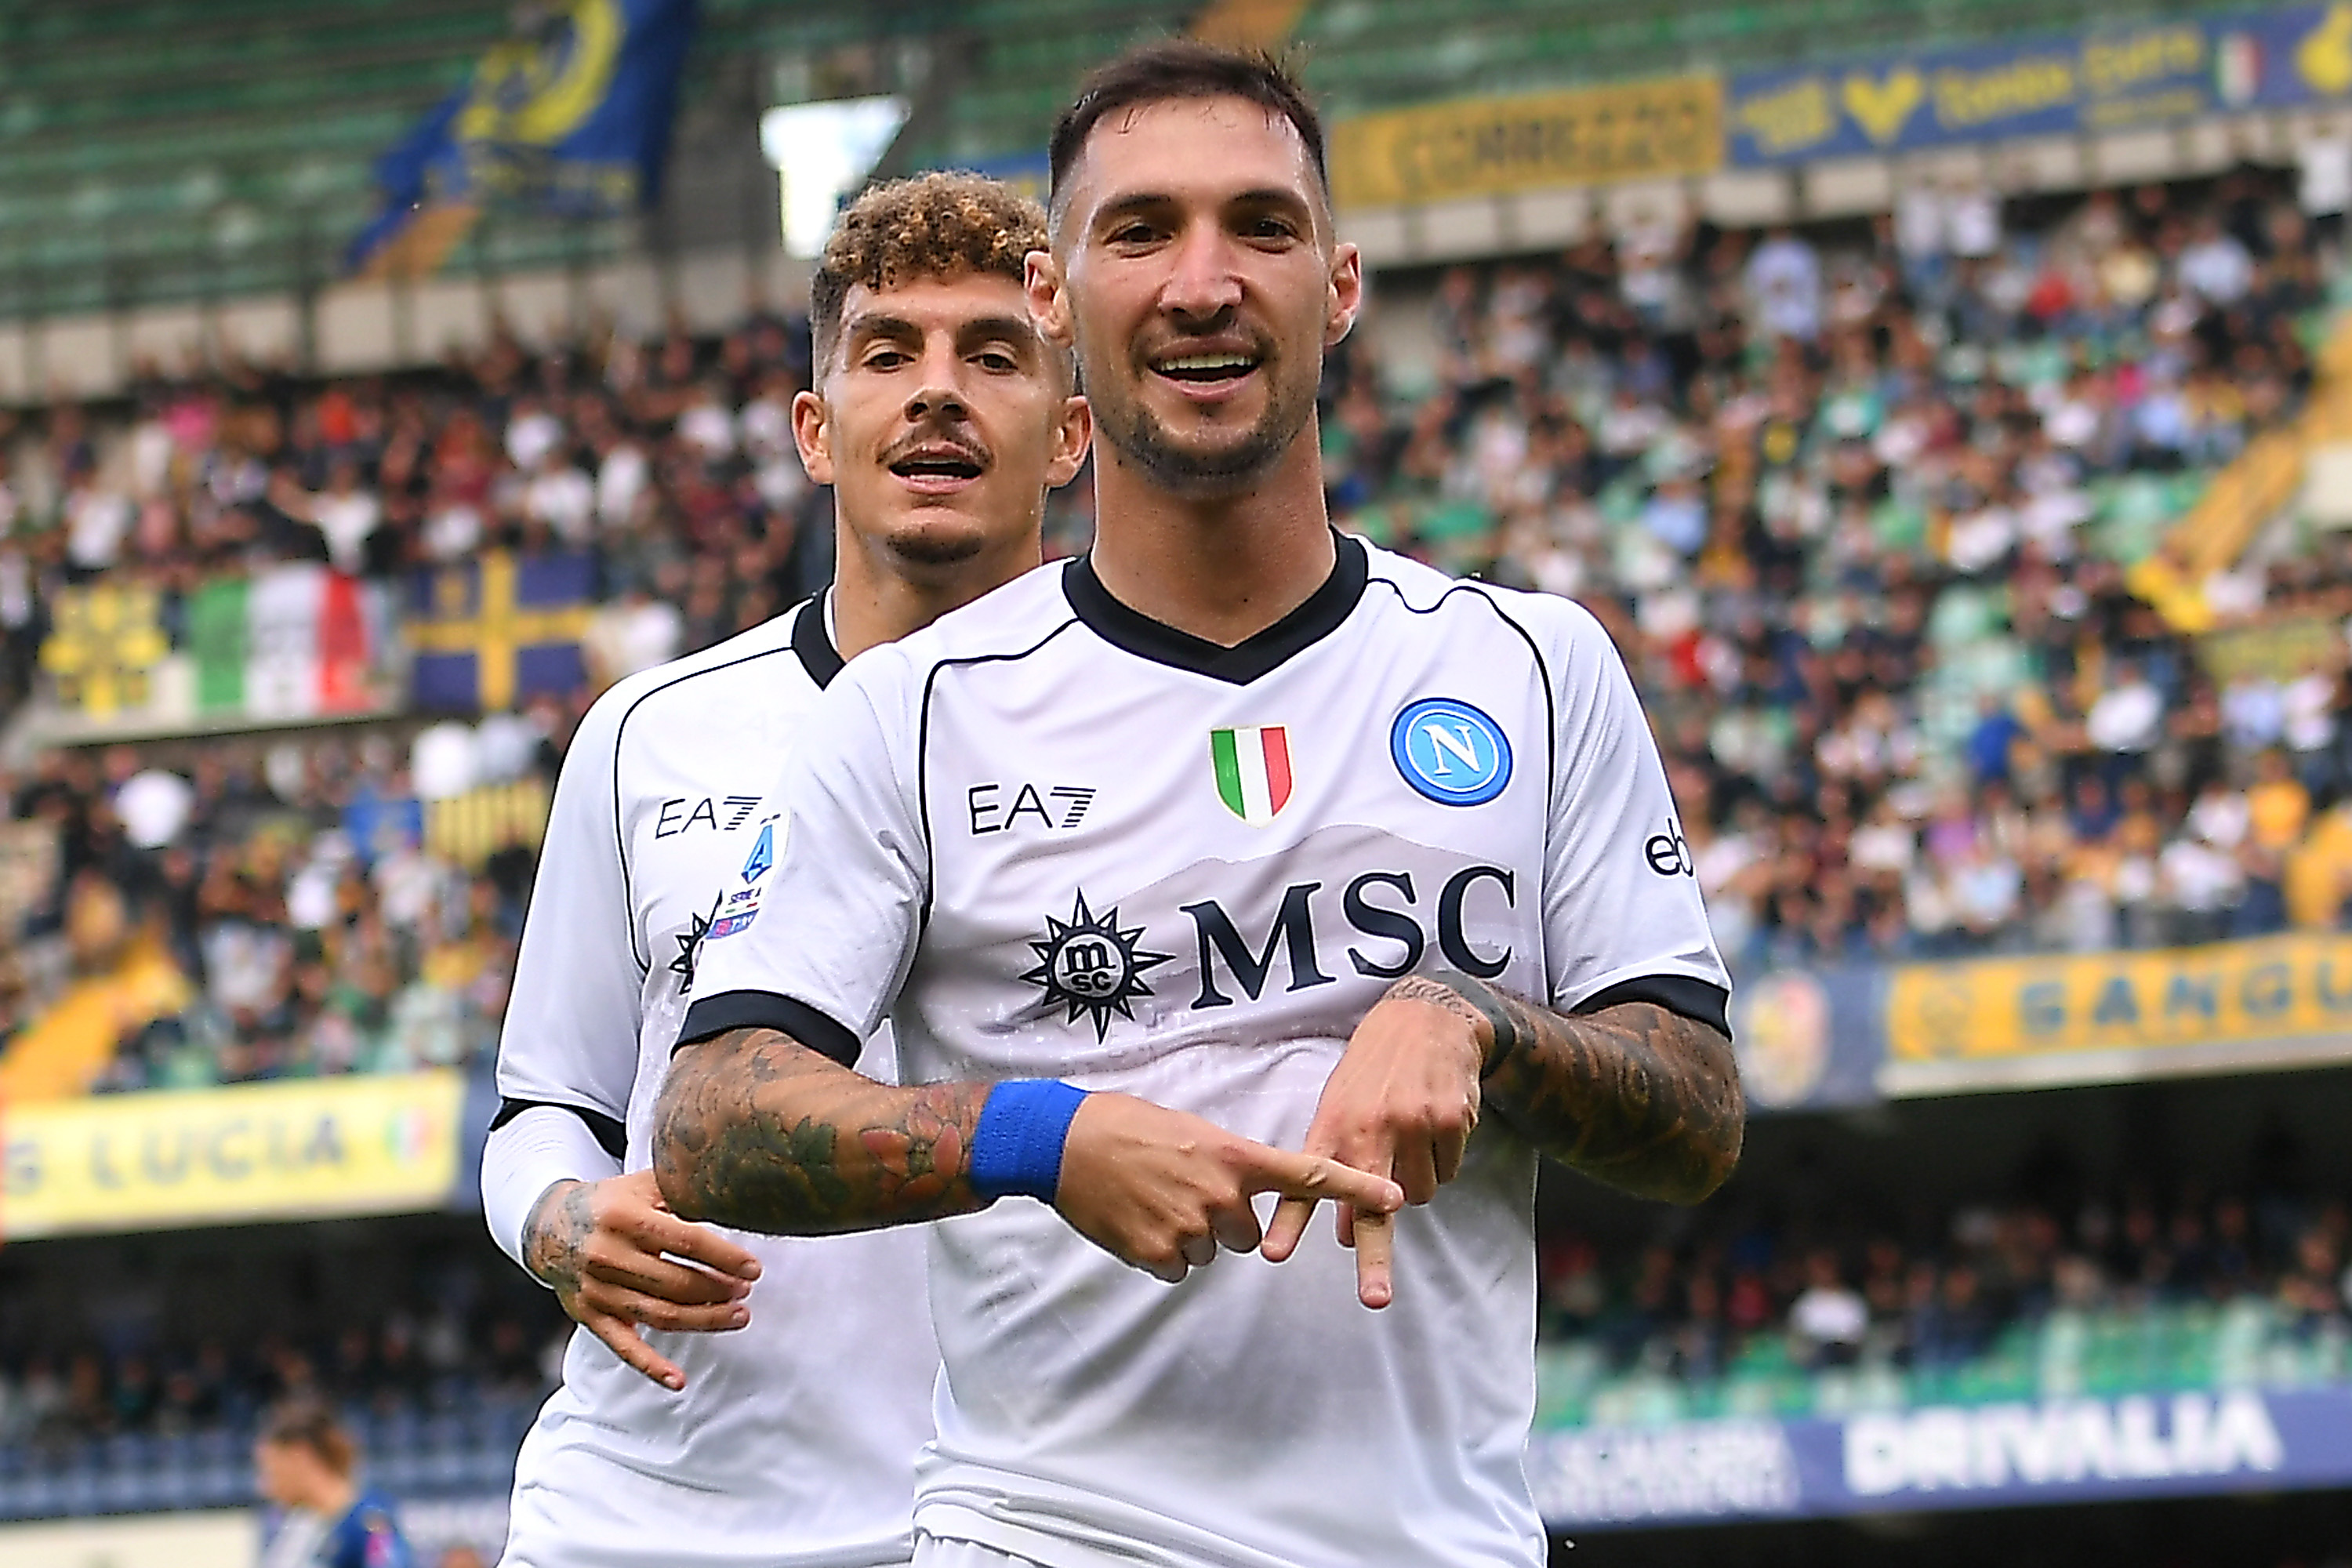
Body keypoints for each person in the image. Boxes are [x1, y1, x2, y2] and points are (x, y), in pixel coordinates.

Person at [659, 42, 1743, 1568]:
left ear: (1341, 285)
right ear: (1056, 299)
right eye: (1142, 230)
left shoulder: (1530, 667)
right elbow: (714, 1117)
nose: (1204, 281)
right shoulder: (910, 711)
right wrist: (1044, 1133)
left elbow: (1695, 1106)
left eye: (1263, 227)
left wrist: (1480, 1027)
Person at [481, 172, 1091, 1568]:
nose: (937, 392)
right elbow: (542, 1111)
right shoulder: (651, 733)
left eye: (992, 355)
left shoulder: (1155, 737)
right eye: (890, 354)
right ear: (818, 431)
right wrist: (561, 1219)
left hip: (1011, 1521)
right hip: (647, 1526)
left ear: (1069, 434)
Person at [254, 1397, 416, 1568]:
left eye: (271, 1472)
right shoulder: (295, 1532)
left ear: (300, 1457)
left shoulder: (368, 1522)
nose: (265, 1488)